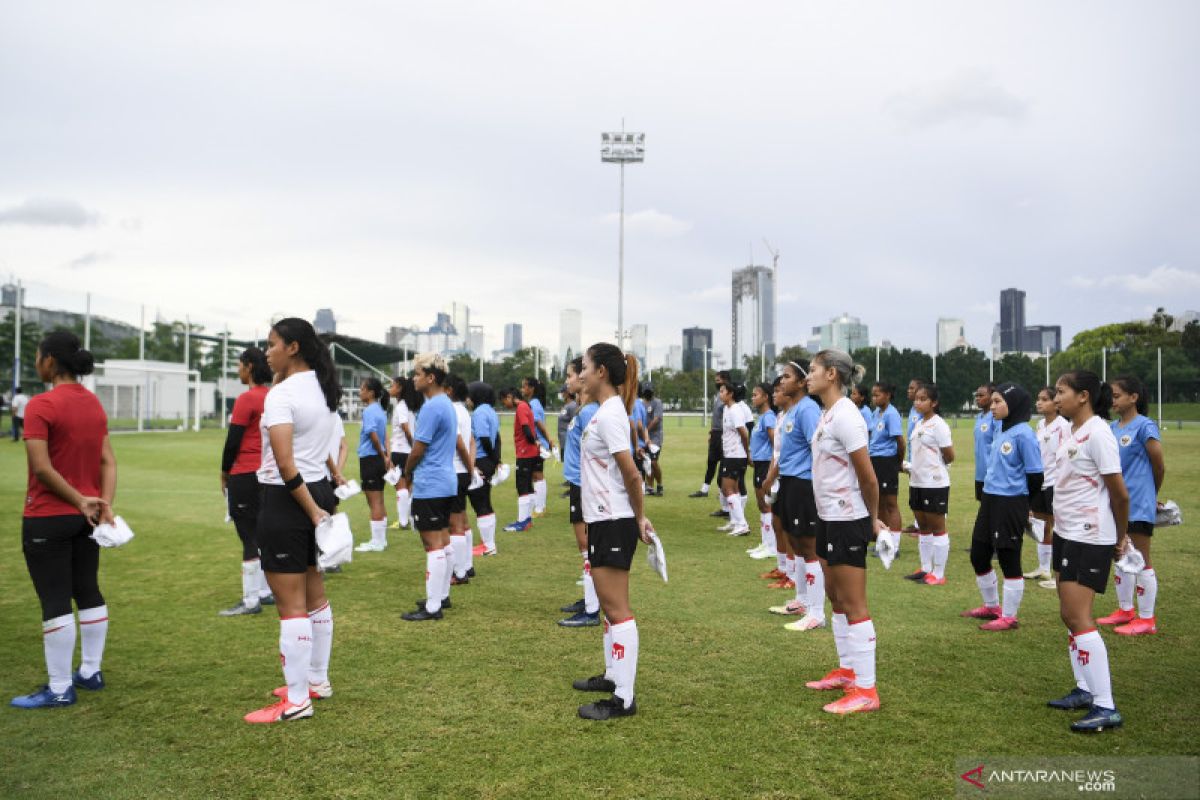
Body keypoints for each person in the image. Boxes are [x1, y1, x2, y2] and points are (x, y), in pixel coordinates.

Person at [244, 318, 341, 723]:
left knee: (291, 606)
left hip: (290, 499)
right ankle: (316, 681)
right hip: (314, 490)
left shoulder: (282, 394)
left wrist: (311, 509)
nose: (267, 352)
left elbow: (285, 464)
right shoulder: (323, 387)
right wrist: (318, 505)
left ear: (293, 347)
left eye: (272, 344)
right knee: (314, 594)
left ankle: (298, 700)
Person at [11, 332, 114, 709]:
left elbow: (41, 468)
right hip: (85, 520)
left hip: (48, 518)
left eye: (38, 355)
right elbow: (108, 462)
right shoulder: (94, 404)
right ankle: (90, 671)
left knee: (55, 598)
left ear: (50, 361)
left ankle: (58, 688)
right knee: (88, 590)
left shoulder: (41, 404)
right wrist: (104, 505)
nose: (37, 362)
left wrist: (80, 499)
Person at [570, 343, 654, 721]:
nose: (580, 374)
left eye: (584, 367)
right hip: (605, 519)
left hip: (614, 520)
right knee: (609, 607)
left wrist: (639, 519)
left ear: (601, 371)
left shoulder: (610, 415)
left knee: (618, 609)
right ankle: (613, 676)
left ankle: (624, 698)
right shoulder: (606, 412)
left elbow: (632, 472)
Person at [802, 349, 884, 714]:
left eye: (813, 370)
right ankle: (848, 671)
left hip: (848, 518)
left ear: (832, 374)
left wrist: (873, 518)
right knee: (835, 598)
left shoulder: (847, 415)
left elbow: (867, 476)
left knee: (854, 604)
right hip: (827, 517)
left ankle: (867, 691)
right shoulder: (827, 413)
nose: (808, 376)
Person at [1047, 370, 1128, 732]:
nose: (1056, 396)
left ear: (1083, 396)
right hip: (1068, 533)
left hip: (1089, 535)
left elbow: (1119, 493)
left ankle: (1106, 705)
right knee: (1069, 616)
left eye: (1061, 391)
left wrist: (1120, 537)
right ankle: (1084, 688)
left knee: (1078, 616)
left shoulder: (1099, 434)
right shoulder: (1074, 431)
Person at [961, 383, 1043, 632]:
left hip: (1011, 502)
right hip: (990, 498)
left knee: (1008, 558)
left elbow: (1036, 476)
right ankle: (992, 606)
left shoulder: (1024, 434)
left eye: (998, 402)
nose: (993, 406)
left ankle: (1009, 616)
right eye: (992, 401)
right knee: (978, 553)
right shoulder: (1002, 429)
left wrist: (1023, 506)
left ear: (1014, 404)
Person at [1097, 376, 1165, 636]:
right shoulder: (1112, 428)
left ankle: (1147, 620)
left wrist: (1149, 493)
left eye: (1116, 396)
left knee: (1142, 559)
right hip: (1116, 503)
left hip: (1138, 503)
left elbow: (1158, 465)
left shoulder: (1144, 426)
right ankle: (1125, 610)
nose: (1112, 400)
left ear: (1133, 397)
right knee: (1121, 553)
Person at [762, 362, 825, 631]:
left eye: (787, 377)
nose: (782, 381)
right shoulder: (791, 411)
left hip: (804, 484)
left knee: (809, 548)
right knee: (797, 545)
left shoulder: (808, 409)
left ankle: (817, 612)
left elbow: (818, 449)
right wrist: (772, 478)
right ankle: (801, 600)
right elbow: (786, 451)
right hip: (789, 482)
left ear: (801, 383)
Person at [401, 353, 460, 622]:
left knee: (432, 544)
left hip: (431, 482)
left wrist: (407, 470)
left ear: (431, 377)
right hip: (445, 481)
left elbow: (418, 448)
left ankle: (433, 606)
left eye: (417, 374)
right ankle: (441, 595)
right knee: (443, 541)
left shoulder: (432, 407)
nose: (414, 378)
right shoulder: (446, 403)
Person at [219, 347, 275, 616]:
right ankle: (265, 592)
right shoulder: (273, 397)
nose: (238, 370)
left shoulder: (247, 399)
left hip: (244, 472)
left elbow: (233, 440)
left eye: (240, 365)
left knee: (248, 536)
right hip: (268, 474)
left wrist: (224, 472)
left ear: (249, 367)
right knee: (262, 533)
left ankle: (251, 600)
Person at [559, 357, 602, 627]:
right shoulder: (582, 408)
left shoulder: (589, 412)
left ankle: (592, 609)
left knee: (588, 548)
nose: (568, 381)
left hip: (584, 484)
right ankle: (590, 599)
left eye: (570, 375)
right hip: (578, 483)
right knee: (584, 547)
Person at [904, 383, 954, 585]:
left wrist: (931, 468)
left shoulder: (939, 424)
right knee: (923, 526)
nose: (918, 401)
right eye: (916, 398)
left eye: (923, 398)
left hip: (934, 483)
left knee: (937, 527)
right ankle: (925, 568)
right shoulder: (919, 423)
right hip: (916, 481)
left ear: (934, 403)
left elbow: (949, 455)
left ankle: (939, 574)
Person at [1026, 386, 1070, 588]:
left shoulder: (1063, 426)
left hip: (1055, 483)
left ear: (1056, 403)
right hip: (1040, 482)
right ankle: (1043, 568)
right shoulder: (1040, 424)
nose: (1039, 402)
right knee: (1041, 525)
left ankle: (1059, 573)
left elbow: (1065, 456)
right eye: (1038, 398)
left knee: (1058, 527)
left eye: (1044, 399)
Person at [354, 377, 391, 553]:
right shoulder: (380, 411)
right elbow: (385, 437)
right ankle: (381, 540)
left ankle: (377, 542)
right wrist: (386, 456)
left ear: (371, 393)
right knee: (379, 500)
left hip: (371, 458)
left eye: (362, 389)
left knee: (374, 501)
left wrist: (382, 454)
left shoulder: (370, 411)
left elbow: (374, 436)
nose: (360, 392)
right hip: (378, 458)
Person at [748, 382, 780, 571]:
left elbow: (775, 443)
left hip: (766, 465)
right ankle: (765, 542)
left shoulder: (769, 418)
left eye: (755, 395)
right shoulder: (762, 417)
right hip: (759, 463)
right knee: (761, 504)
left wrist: (770, 469)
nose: (753, 398)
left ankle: (771, 547)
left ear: (765, 397)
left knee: (766, 504)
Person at [447, 375, 476, 585]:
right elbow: (471, 441)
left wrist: (468, 466)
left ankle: (458, 572)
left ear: (448, 390)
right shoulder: (464, 411)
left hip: (456, 470)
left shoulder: (452, 411)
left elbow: (459, 443)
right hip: (463, 470)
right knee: (463, 519)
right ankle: (466, 565)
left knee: (454, 523)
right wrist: (470, 467)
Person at [467, 381, 500, 558]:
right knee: (485, 501)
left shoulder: (479, 413)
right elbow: (497, 439)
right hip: (487, 460)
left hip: (480, 459)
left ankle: (488, 546)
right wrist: (496, 460)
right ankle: (488, 543)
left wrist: (488, 460)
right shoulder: (491, 411)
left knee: (480, 502)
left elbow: (485, 438)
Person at [867, 382, 905, 534]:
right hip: (875, 460)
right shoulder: (876, 412)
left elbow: (900, 442)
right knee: (879, 503)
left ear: (887, 395)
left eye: (877, 395)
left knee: (890, 503)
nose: (874, 398)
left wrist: (898, 462)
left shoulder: (891, 414)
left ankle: (894, 543)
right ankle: (883, 538)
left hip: (887, 461)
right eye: (873, 395)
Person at [717, 382, 753, 537]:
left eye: (723, 391)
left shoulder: (735, 410)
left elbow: (744, 433)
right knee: (734, 489)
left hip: (736, 455)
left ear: (730, 394)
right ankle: (735, 521)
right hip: (729, 454)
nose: (720, 393)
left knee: (727, 489)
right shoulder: (727, 409)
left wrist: (748, 452)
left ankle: (742, 524)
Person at [501, 387, 539, 532]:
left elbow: (526, 429)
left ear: (510, 396)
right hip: (530, 452)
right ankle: (527, 520)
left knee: (522, 486)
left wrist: (532, 441)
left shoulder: (521, 407)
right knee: (528, 486)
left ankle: (522, 522)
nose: (505, 404)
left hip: (525, 452)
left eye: (504, 400)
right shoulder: (525, 406)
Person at [387, 376, 422, 529]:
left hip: (401, 450)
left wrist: (413, 445)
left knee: (400, 487)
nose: (390, 388)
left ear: (400, 388)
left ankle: (403, 522)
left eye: (392, 385)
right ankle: (410, 518)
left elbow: (406, 428)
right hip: (408, 451)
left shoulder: (401, 406)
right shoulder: (410, 406)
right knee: (407, 487)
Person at [691, 370, 730, 506]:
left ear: (725, 380)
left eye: (718, 380)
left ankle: (722, 491)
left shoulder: (729, 397)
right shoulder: (718, 395)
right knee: (711, 461)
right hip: (715, 433)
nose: (716, 382)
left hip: (724, 434)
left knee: (723, 464)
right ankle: (704, 489)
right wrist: (712, 432)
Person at [523, 377, 552, 516]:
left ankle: (540, 508)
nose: (522, 389)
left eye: (524, 386)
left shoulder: (533, 403)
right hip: (538, 444)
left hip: (538, 444)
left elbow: (538, 423)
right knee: (535, 475)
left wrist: (548, 440)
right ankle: (539, 506)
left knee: (537, 475)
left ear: (531, 388)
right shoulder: (535, 402)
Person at [972, 383, 997, 501]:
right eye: (977, 395)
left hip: (992, 473)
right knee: (983, 504)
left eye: (981, 395)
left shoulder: (995, 418)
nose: (978, 398)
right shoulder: (979, 417)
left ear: (992, 396)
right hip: (980, 472)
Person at [641, 385, 665, 496]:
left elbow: (656, 419)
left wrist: (646, 429)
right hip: (643, 437)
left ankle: (659, 484)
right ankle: (650, 487)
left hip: (655, 437)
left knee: (654, 462)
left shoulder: (657, 403)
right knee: (647, 462)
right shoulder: (641, 404)